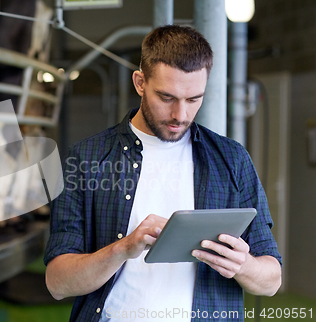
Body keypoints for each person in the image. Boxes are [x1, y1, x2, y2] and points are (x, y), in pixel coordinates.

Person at [44, 25, 282, 322]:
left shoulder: (232, 160)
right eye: (167, 97)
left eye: (194, 99)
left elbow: (272, 280)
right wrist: (123, 248)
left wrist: (243, 265)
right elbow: (57, 283)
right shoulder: (86, 158)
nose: (180, 115)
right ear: (140, 82)